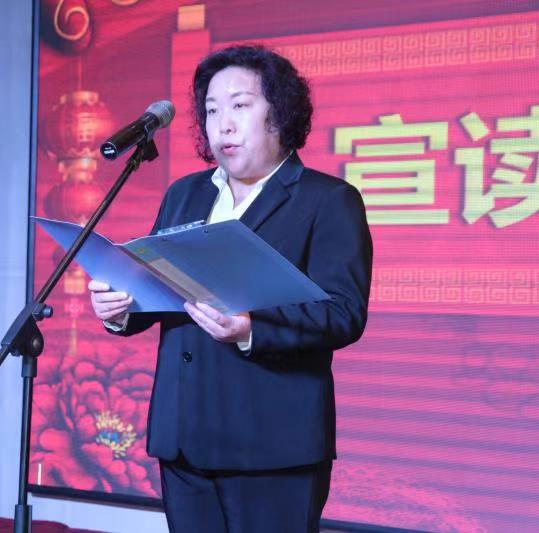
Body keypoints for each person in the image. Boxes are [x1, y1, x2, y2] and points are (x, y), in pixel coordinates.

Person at [88, 45, 372, 533]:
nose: (223, 125)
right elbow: (160, 289)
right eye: (212, 110)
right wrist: (120, 308)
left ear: (279, 113)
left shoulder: (328, 200)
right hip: (184, 436)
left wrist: (250, 329)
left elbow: (343, 312)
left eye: (240, 106)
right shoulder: (186, 193)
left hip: (272, 445)